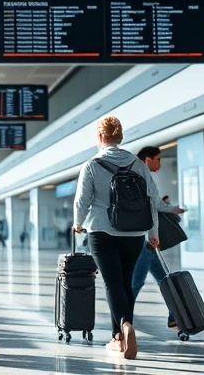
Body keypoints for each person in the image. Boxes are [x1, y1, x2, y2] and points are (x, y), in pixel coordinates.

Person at [73, 117, 160, 360]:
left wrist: (78, 224)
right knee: (125, 283)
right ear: (120, 137)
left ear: (100, 138)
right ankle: (119, 336)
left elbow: (82, 201)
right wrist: (153, 234)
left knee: (112, 283)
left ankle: (125, 326)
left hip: (102, 232)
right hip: (134, 233)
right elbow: (152, 198)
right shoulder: (137, 164)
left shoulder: (91, 165)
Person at [130, 146, 185, 328]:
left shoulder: (134, 174)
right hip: (144, 239)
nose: (159, 163)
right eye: (158, 159)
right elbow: (155, 206)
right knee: (137, 282)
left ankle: (173, 315)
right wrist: (172, 209)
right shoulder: (142, 176)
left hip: (144, 239)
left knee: (164, 278)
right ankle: (123, 317)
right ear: (147, 160)